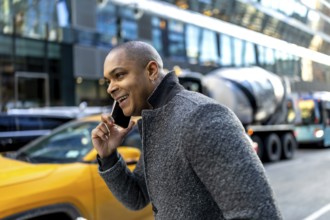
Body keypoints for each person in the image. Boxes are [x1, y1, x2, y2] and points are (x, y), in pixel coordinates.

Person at [91, 41, 282, 220]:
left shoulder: (201, 116)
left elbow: (260, 214)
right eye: (108, 80)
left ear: (151, 70)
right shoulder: (155, 122)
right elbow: (137, 198)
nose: (110, 88)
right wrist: (108, 156)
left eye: (119, 75)